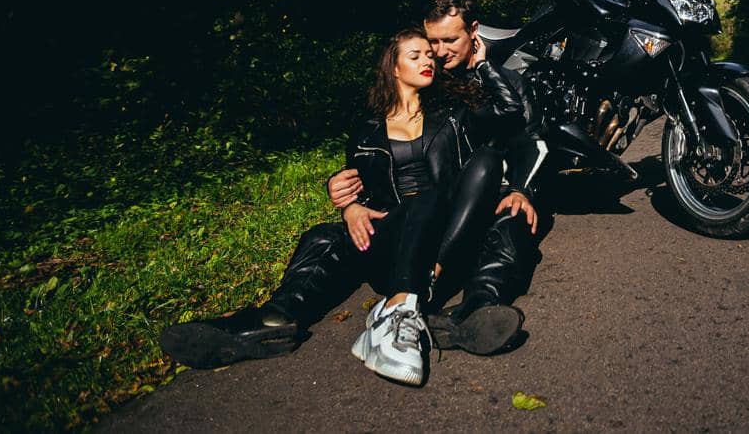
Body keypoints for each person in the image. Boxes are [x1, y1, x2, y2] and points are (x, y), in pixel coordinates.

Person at [159, 26, 542, 385]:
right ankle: (275, 319)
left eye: (431, 54)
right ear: (393, 67)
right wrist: (349, 207)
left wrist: (483, 64)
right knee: (326, 236)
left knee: (508, 210)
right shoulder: (365, 131)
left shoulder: (455, 115)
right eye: (416, 55)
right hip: (396, 242)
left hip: (450, 241)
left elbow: (511, 117)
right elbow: (353, 187)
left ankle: (470, 311)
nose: (429, 60)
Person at [327, 0, 550, 347]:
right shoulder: (427, 84)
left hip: (487, 200)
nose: (440, 52)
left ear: (474, 33)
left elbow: (530, 141)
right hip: (427, 214)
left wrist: (522, 190)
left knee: (515, 217)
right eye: (432, 43)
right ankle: (424, 286)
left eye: (450, 40)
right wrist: (347, 198)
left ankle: (477, 309)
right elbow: (379, 149)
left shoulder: (506, 84)